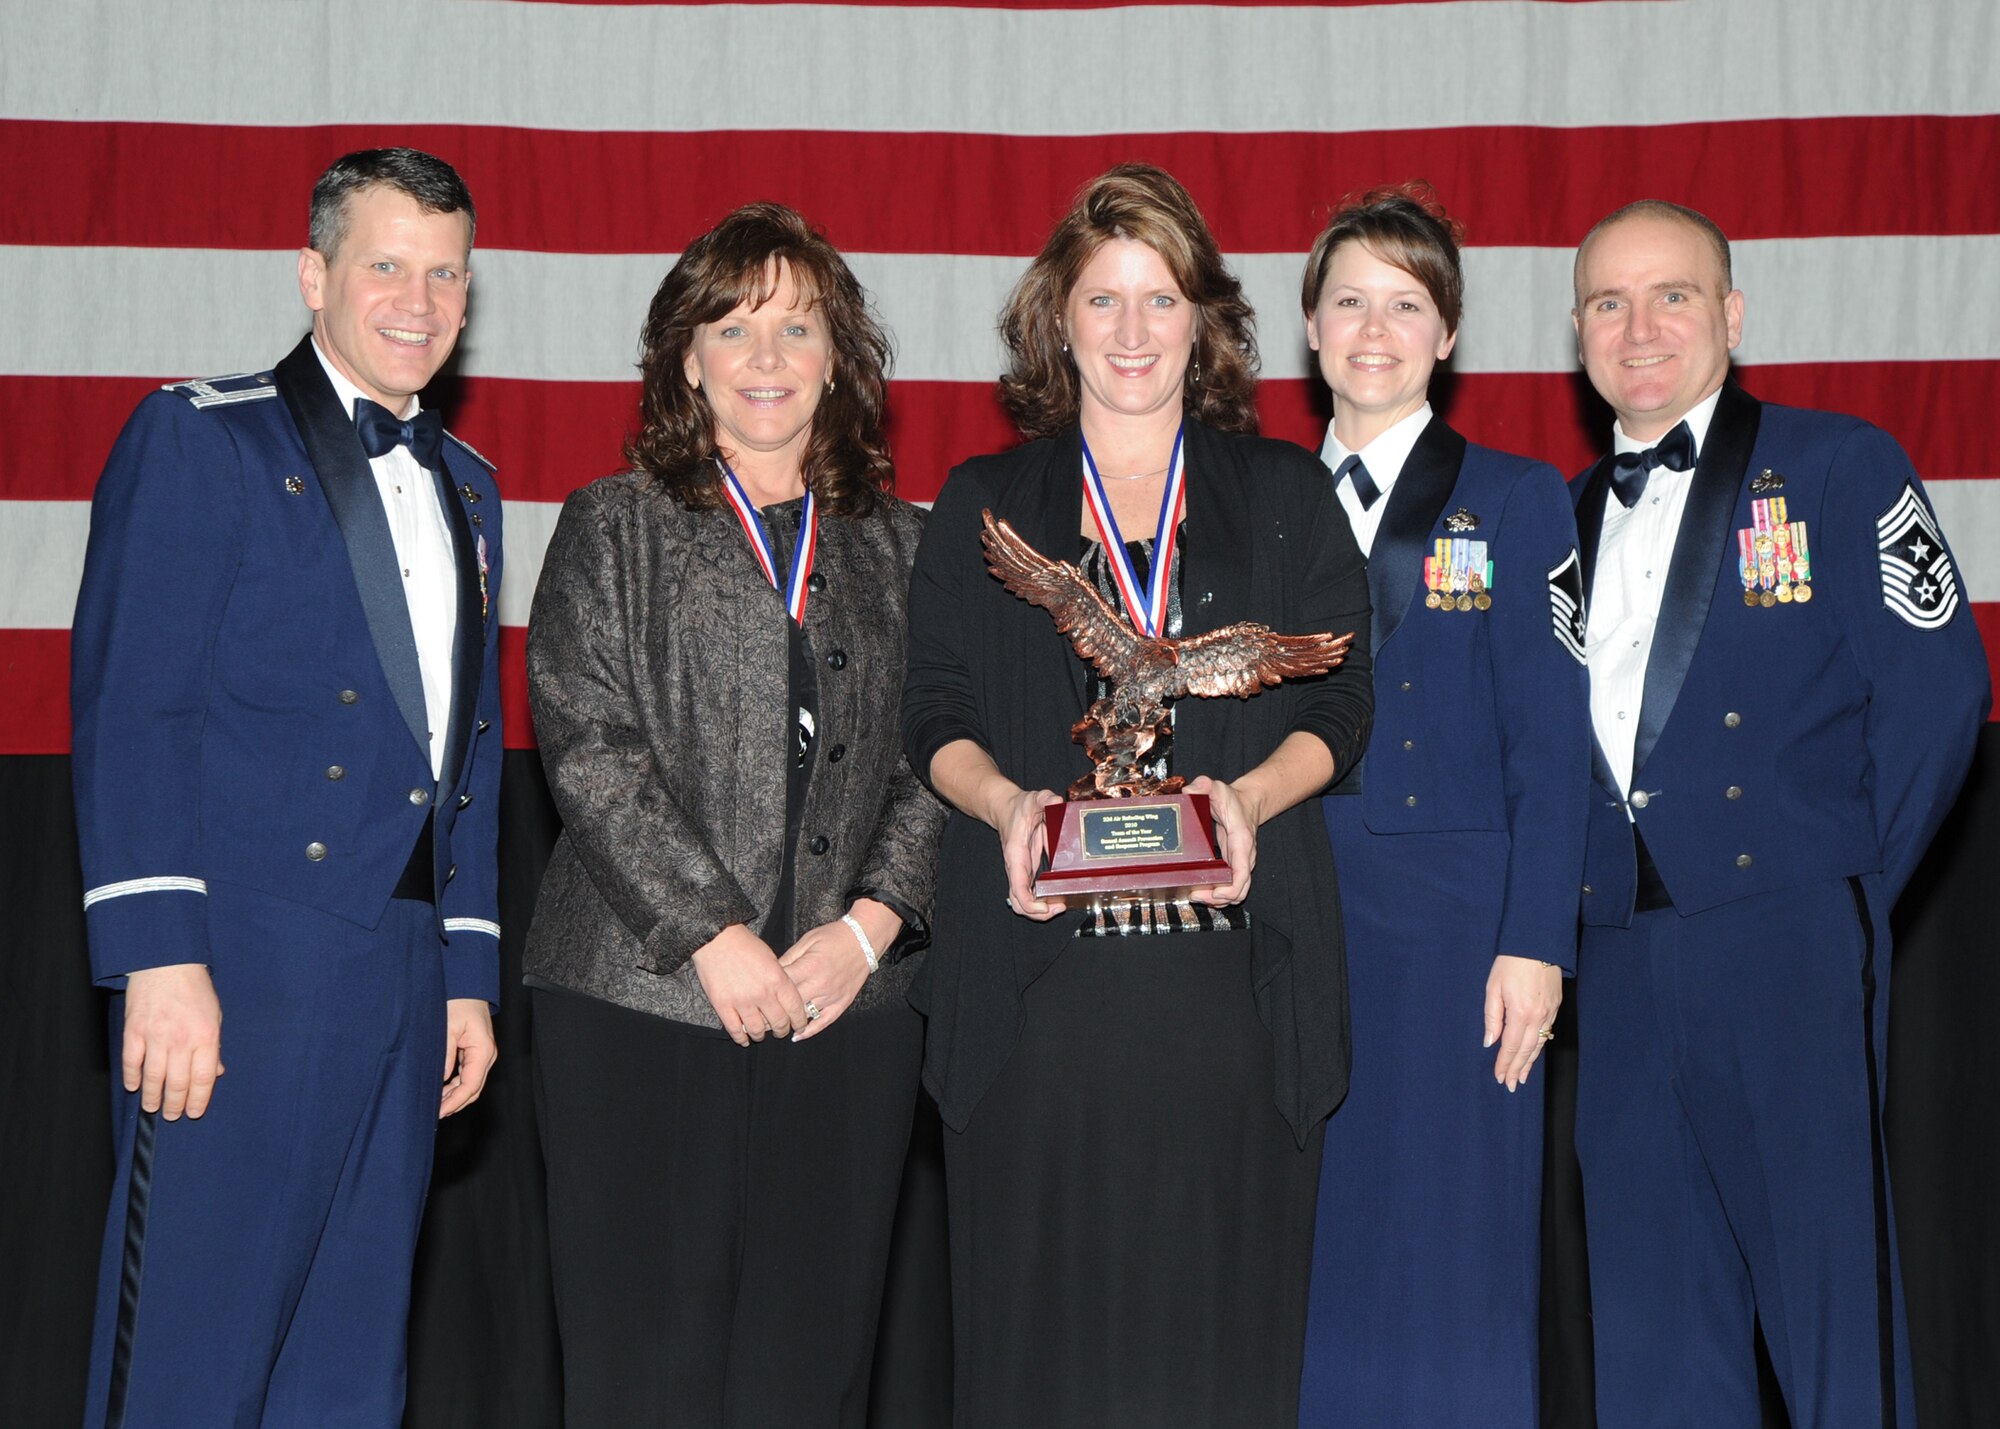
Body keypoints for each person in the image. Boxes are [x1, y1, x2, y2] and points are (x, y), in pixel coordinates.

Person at [903, 163, 1374, 1428]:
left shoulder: (1280, 495)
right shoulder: (982, 504)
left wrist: (1247, 802)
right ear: (1056, 317)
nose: (1129, 332)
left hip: (1228, 993)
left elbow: (1340, 705)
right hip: (1037, 995)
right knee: (1035, 1357)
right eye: (1101, 300)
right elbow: (932, 712)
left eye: (1158, 300)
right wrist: (1008, 807)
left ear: (1203, 320)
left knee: (1216, 1358)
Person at [70, 147, 502, 1426]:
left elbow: (464, 756)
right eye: (385, 265)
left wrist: (465, 971)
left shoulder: (469, 489)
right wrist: (157, 957)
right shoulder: (200, 438)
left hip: (403, 973)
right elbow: (135, 706)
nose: (417, 301)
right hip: (237, 969)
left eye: (445, 275)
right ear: (312, 275)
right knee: (191, 1364)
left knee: (349, 1364)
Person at [1567, 199, 1990, 1428]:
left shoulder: (1838, 463)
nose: (1637, 327)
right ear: (1577, 335)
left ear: (1731, 316)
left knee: (1826, 1303)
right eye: (1606, 302)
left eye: (1671, 295)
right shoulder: (1560, 518)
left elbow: (1936, 691)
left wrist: (1840, 882)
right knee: (1652, 1318)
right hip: (1616, 953)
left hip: (1784, 930)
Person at [522, 202, 945, 1428]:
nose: (766, 359)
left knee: (809, 1372)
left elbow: (941, 755)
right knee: (642, 1368)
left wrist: (869, 927)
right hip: (638, 999)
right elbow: (589, 745)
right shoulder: (613, 526)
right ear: (685, 356)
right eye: (732, 326)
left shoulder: (909, 547)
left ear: (839, 358)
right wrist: (711, 933)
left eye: (796, 328)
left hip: (846, 1012)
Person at [1293, 184, 1589, 1427]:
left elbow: (1553, 738)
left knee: (1455, 1227)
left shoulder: (1518, 498)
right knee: (1308, 1224)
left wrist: (1536, 939)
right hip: (1290, 903)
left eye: (1404, 304)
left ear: (1448, 332)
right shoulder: (1250, 501)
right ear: (1306, 329)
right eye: (1347, 301)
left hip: (1461, 919)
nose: (1374, 329)